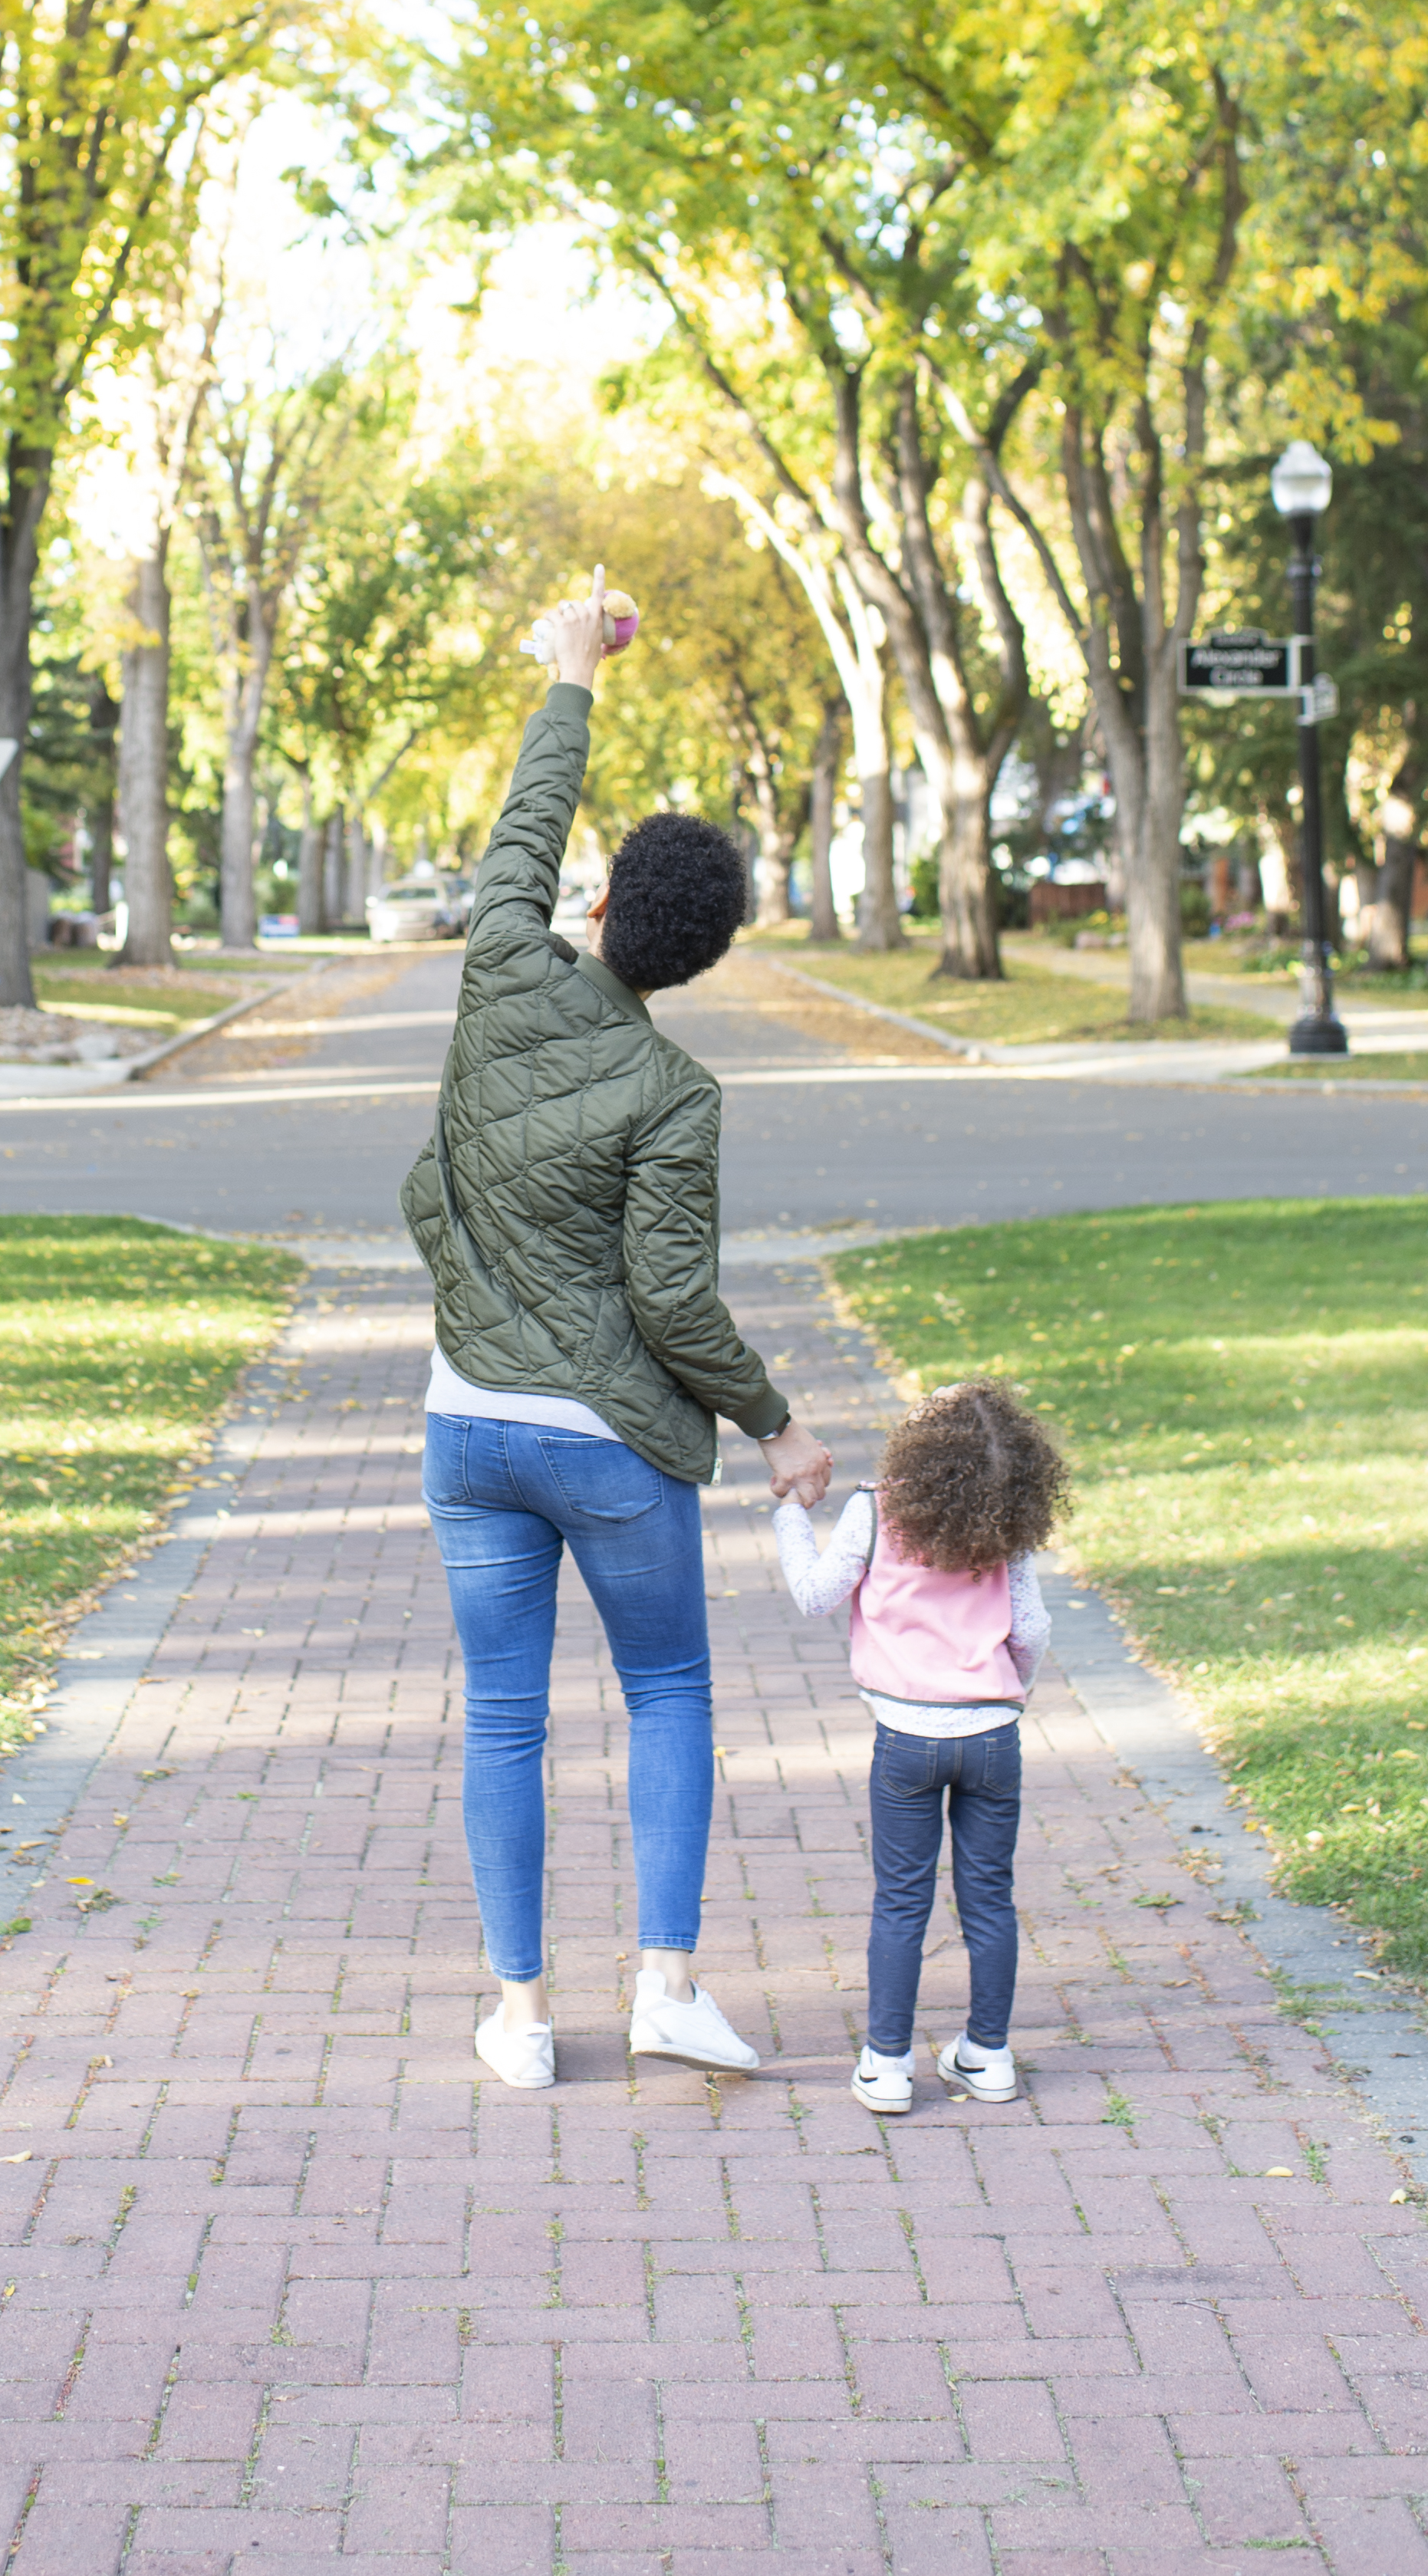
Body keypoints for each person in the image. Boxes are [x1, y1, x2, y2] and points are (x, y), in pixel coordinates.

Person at [403, 588, 834, 2094]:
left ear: (594, 906)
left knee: (504, 1717)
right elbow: (669, 1306)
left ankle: (518, 2018)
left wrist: (570, 674)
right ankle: (663, 1983)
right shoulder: (676, 1095)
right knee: (665, 1690)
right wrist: (777, 1424)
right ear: (702, 956)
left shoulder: (499, 969)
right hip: (606, 1448)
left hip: (467, 1427)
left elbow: (521, 826)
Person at [773, 1379, 1068, 2115]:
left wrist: (787, 1517)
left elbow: (816, 1594)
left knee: (902, 1902)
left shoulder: (875, 1510)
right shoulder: (1007, 1529)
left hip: (906, 1738)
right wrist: (1010, 1690)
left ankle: (887, 2064)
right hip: (994, 1735)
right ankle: (988, 2055)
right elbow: (1029, 1630)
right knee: (989, 1899)